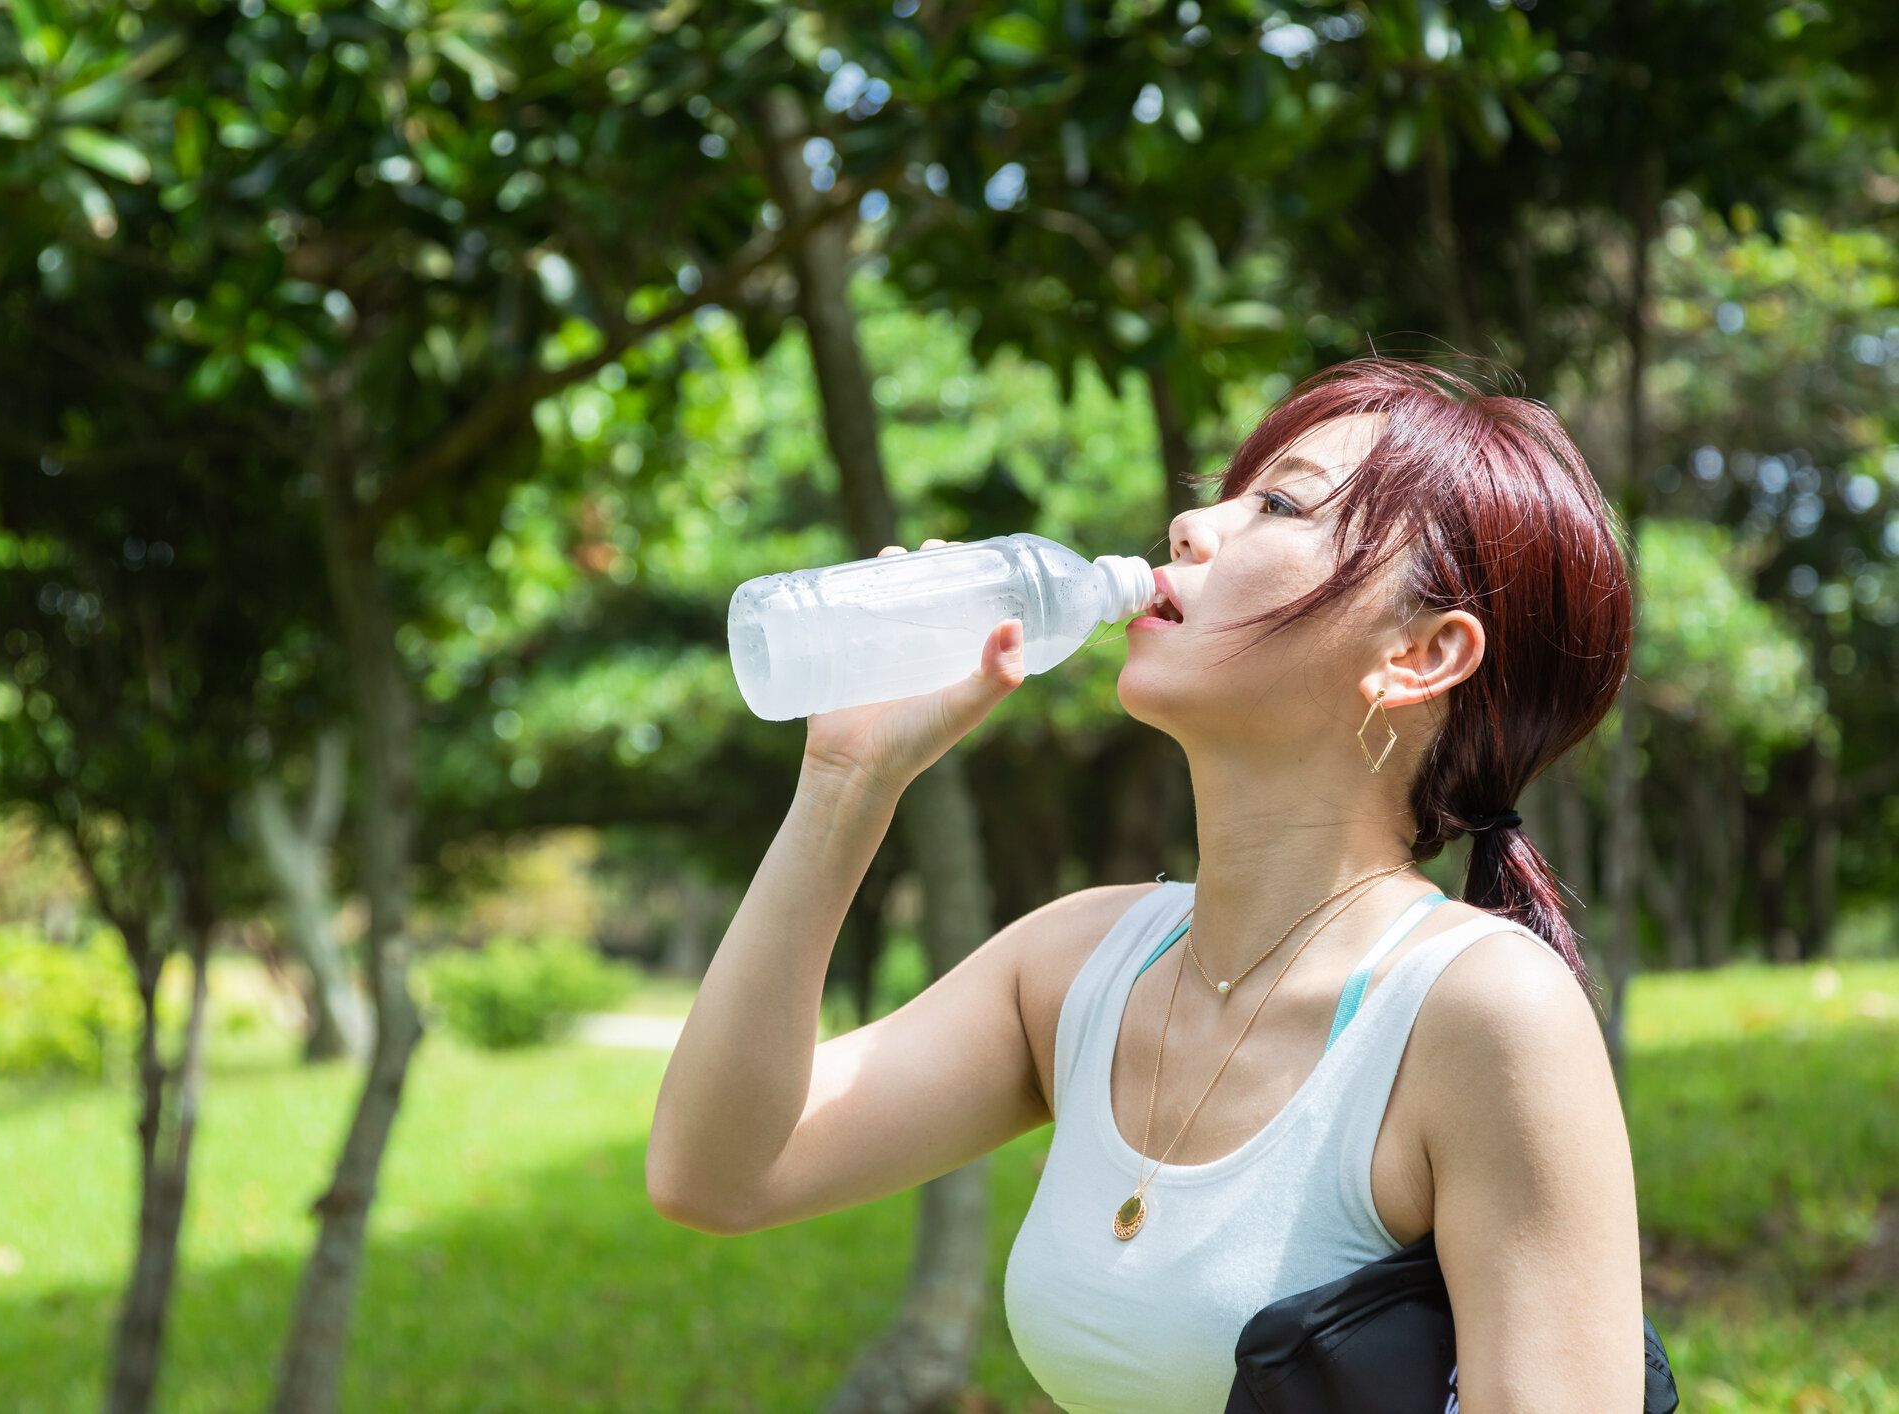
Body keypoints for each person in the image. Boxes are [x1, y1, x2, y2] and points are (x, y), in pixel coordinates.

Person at [647, 356, 1646, 1410]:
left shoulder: (1481, 1013)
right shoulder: (1081, 963)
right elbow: (717, 1172)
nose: (1190, 526)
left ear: (1419, 654)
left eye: (1280, 503)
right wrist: (848, 778)